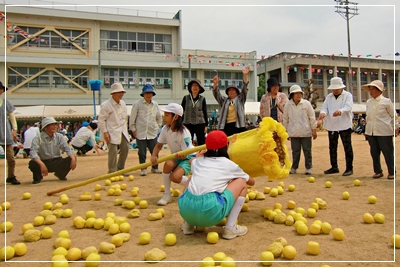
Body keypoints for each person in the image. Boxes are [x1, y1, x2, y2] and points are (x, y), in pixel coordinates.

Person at [178, 130, 255, 239]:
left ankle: (188, 224)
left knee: (191, 179)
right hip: (211, 212)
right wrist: (237, 173)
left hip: (185, 209)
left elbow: (191, 162)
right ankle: (230, 228)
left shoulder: (197, 162)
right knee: (241, 182)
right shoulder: (229, 164)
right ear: (226, 147)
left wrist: (198, 157)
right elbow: (251, 182)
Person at [150, 103, 194, 206]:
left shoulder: (184, 133)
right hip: (176, 155)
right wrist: (154, 155)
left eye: (167, 115)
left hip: (188, 157)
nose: (164, 117)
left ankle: (193, 184)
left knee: (174, 177)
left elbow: (185, 153)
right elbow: (158, 145)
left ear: (175, 117)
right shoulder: (165, 129)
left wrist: (182, 155)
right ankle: (167, 194)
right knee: (168, 164)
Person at [361, 80, 398, 179]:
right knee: (374, 152)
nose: (371, 91)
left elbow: (393, 116)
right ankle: (378, 171)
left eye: (373, 89)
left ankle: (391, 172)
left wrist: (396, 127)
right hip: (371, 131)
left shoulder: (386, 101)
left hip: (384, 131)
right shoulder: (368, 102)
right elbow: (368, 117)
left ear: (379, 90)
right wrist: (366, 130)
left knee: (387, 152)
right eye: (370, 89)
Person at [317, 77, 354, 176]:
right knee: (332, 147)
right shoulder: (329, 97)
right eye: (333, 89)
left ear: (341, 87)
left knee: (347, 147)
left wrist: (340, 111)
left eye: (336, 89)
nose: (335, 91)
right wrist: (323, 113)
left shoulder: (347, 95)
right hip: (332, 125)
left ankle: (349, 168)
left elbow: (348, 107)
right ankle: (334, 166)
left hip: (344, 125)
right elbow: (324, 107)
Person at [28, 117, 77, 184]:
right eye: (52, 125)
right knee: (32, 163)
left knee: (72, 158)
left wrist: (73, 159)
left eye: (55, 124)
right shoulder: (38, 138)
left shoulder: (59, 136)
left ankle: (60, 174)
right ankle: (38, 177)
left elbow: (67, 148)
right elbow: (33, 153)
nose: (55, 126)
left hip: (56, 161)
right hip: (43, 161)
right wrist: (41, 164)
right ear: (45, 128)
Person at [282, 85, 317, 175]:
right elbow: (285, 119)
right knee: (295, 151)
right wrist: (285, 131)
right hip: (293, 132)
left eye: (300, 93)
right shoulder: (288, 105)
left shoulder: (306, 103)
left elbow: (312, 117)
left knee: (307, 150)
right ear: (292, 95)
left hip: (306, 132)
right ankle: (294, 167)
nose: (298, 95)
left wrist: (314, 129)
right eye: (296, 93)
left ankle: (309, 168)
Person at [129, 84, 163, 176]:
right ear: (143, 94)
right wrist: (133, 128)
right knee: (142, 152)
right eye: (146, 93)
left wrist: (158, 127)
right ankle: (143, 168)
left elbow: (159, 117)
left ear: (153, 94)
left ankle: (155, 167)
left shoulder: (155, 104)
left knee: (154, 151)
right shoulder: (137, 104)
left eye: (150, 93)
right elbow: (132, 118)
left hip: (152, 132)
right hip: (141, 132)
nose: (148, 95)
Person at [98, 82, 130, 173]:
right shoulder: (106, 105)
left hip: (122, 129)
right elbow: (101, 120)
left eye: (122, 92)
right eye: (119, 92)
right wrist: (105, 132)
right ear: (113, 93)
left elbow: (124, 117)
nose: (121, 94)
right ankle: (112, 170)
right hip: (111, 130)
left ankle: (120, 168)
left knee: (125, 148)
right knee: (113, 151)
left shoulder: (123, 104)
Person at [212, 66, 250, 137]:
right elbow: (217, 94)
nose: (231, 92)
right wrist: (215, 84)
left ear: (237, 92)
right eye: (229, 90)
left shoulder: (240, 99)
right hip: (227, 126)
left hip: (239, 125)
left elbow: (244, 89)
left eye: (233, 90)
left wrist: (245, 75)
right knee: (228, 144)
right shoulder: (224, 101)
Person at [0, 81, 20, 184]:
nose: (0, 90)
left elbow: (12, 116)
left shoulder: (6, 102)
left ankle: (11, 176)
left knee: (11, 158)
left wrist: (15, 129)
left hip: (5, 132)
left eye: (1, 88)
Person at [181, 79, 208, 146]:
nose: (195, 87)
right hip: (187, 123)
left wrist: (206, 125)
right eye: (193, 85)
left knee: (201, 142)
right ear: (190, 87)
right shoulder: (185, 98)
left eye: (197, 86)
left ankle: (202, 155)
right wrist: (181, 123)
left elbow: (205, 112)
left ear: (199, 88)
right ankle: (189, 155)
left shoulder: (202, 99)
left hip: (200, 123)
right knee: (187, 141)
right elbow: (181, 111)